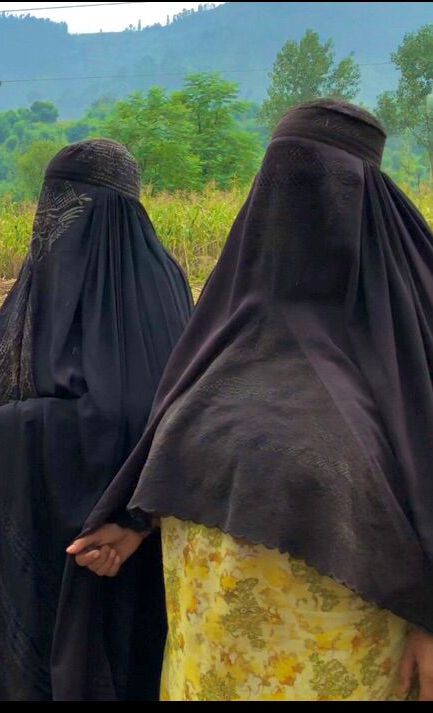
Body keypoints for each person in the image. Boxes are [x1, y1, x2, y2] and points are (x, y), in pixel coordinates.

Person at [69, 100, 433, 701]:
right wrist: (137, 521)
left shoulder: (410, 328)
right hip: (211, 660)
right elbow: (173, 448)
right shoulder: (225, 337)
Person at [0, 139, 193, 701]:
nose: (53, 230)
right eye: (48, 211)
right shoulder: (37, 289)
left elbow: (142, 418)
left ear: (113, 212)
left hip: (122, 560)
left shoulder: (156, 291)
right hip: (28, 563)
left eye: (71, 211)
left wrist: (3, 427)